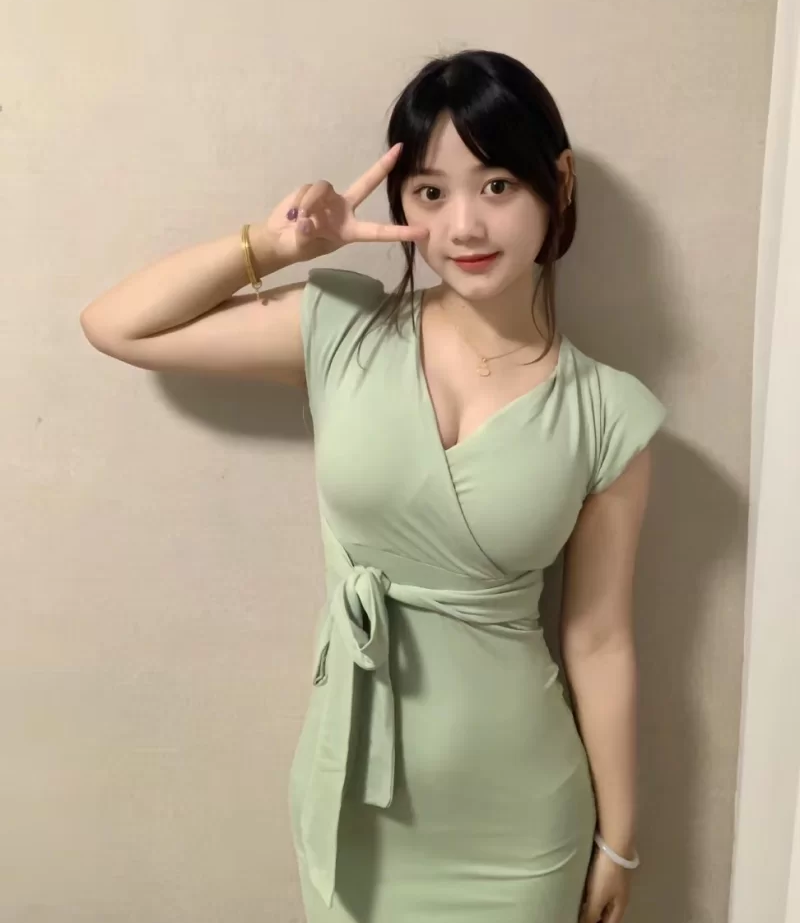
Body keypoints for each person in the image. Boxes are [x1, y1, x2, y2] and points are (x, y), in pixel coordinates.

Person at [80, 48, 666, 923]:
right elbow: (117, 325)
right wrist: (276, 245)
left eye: (498, 184)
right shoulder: (343, 326)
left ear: (560, 183)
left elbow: (600, 640)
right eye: (430, 192)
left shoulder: (610, 411)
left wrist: (618, 840)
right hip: (355, 798)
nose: (464, 225)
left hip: (520, 824)